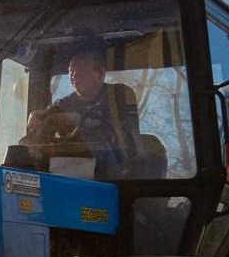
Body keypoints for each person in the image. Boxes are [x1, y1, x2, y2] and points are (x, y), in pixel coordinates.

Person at [23, 44, 141, 176]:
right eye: (70, 72)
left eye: (80, 72)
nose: (73, 77)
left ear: (100, 74)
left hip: (115, 173)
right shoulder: (62, 104)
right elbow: (42, 128)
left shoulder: (119, 95)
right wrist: (37, 122)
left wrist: (76, 120)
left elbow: (122, 135)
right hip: (71, 172)